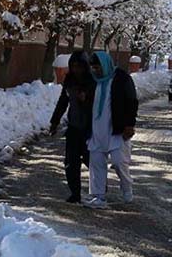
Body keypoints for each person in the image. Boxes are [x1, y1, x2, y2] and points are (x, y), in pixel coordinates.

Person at [84, 51, 138, 209]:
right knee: (96, 163)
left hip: (116, 129)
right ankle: (98, 196)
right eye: (93, 68)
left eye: (98, 67)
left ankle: (127, 187)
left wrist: (130, 124)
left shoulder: (121, 78)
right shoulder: (93, 80)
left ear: (106, 64)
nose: (96, 71)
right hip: (96, 129)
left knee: (118, 162)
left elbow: (132, 101)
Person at [49, 51, 94, 203]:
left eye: (79, 66)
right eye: (73, 66)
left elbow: (99, 104)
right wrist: (54, 122)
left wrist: (86, 99)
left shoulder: (93, 81)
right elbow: (63, 102)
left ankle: (99, 186)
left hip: (90, 128)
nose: (76, 70)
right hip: (74, 127)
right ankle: (75, 192)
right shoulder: (69, 81)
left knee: (92, 161)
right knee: (71, 163)